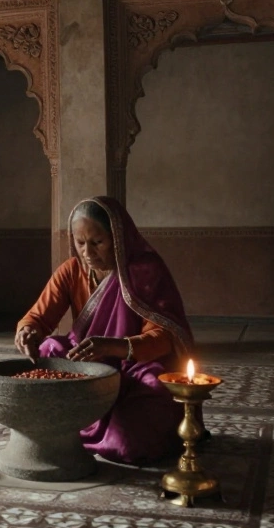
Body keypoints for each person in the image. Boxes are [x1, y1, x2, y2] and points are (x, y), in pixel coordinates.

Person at [14, 196, 195, 465]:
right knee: (49, 350)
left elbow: (164, 337)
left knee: (137, 429)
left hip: (137, 368)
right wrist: (28, 332)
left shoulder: (145, 272)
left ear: (119, 238)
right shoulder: (72, 271)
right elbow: (38, 317)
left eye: (98, 242)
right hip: (88, 365)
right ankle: (65, 422)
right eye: (80, 242)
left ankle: (74, 428)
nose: (87, 252)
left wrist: (113, 347)